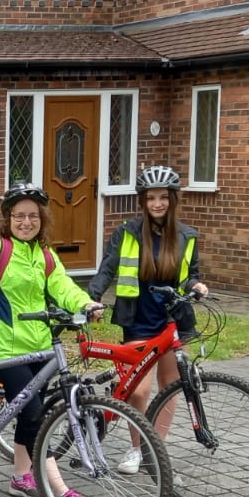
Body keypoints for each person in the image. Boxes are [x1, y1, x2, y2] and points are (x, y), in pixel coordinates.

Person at [0, 184, 105, 497]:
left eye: (33, 216)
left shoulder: (45, 255)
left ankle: (20, 477)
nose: (26, 222)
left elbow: (62, 287)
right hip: (6, 347)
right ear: (8, 218)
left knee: (29, 415)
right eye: (19, 216)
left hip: (42, 347)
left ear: (41, 220)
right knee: (35, 414)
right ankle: (58, 489)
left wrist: (85, 302)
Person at [87, 164, 209, 472]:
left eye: (163, 198)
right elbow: (107, 268)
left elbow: (189, 276)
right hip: (138, 319)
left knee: (170, 385)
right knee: (138, 391)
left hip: (173, 320)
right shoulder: (127, 232)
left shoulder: (186, 236)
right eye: (151, 198)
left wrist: (195, 285)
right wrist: (94, 297)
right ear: (143, 201)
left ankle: (157, 449)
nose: (157, 204)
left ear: (172, 200)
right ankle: (136, 447)